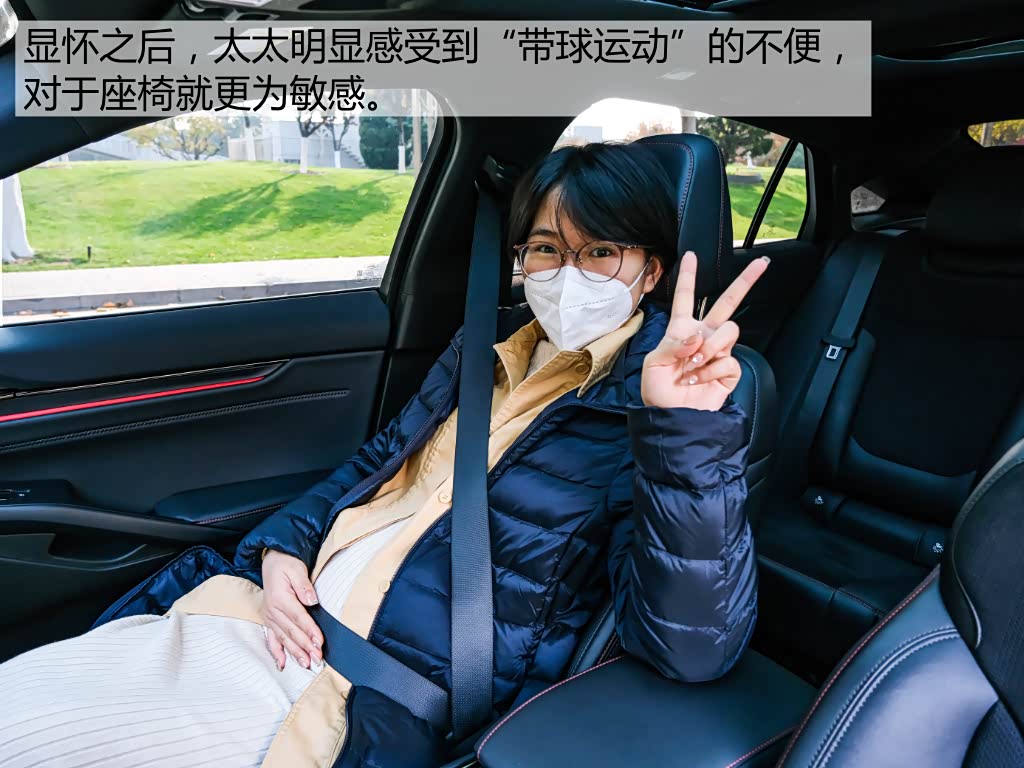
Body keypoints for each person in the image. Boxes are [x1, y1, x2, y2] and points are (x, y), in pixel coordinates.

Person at [0, 141, 768, 768]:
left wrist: (680, 431)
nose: (567, 275)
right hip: (253, 611)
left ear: (650, 271)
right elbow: (375, 466)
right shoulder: (488, 349)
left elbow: (692, 645)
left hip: (349, 698)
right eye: (545, 249)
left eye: (599, 251)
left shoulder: (665, 412)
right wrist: (281, 547)